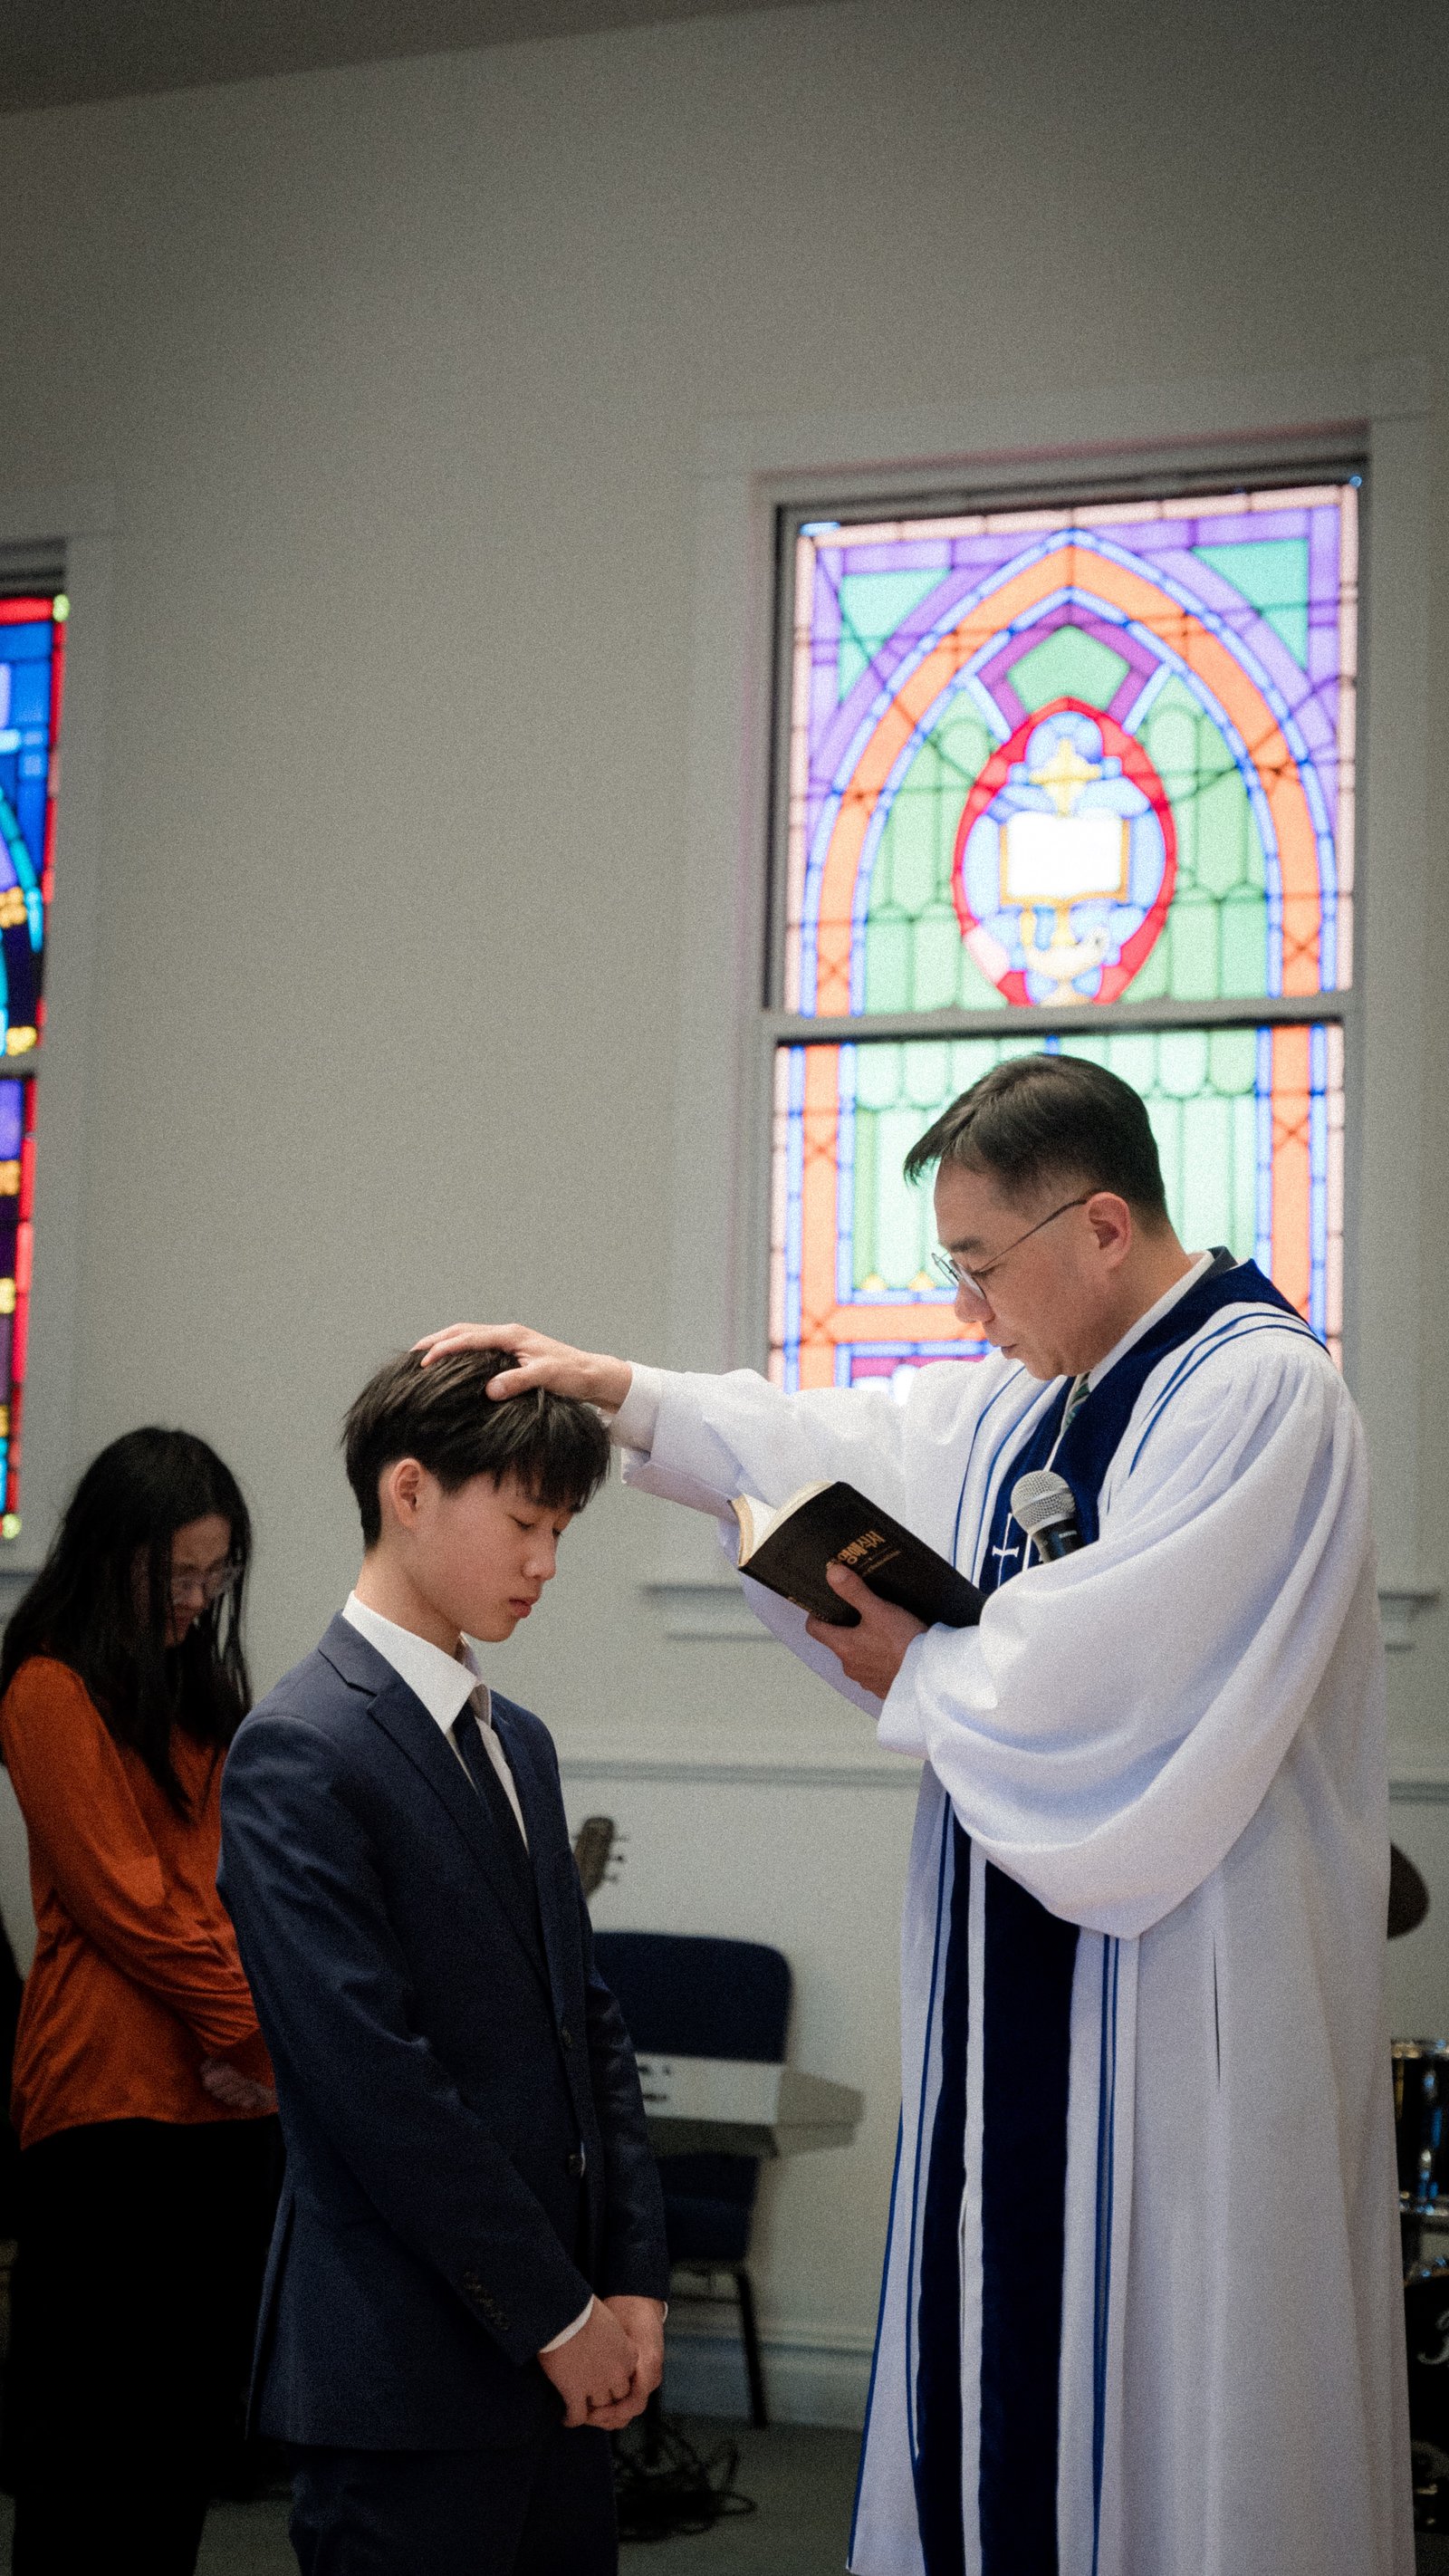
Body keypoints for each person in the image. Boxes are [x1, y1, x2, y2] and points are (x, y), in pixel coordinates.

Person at [419, 1053, 1412, 2576]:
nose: (967, 1310)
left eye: (979, 1265)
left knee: (1179, 2384)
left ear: (1100, 1227)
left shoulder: (1261, 1389)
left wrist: (925, 1670)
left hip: (1185, 2000)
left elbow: (1136, 1669)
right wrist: (622, 1394)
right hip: (1030, 1987)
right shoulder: (1042, 1397)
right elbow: (856, 1441)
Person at [217, 1347, 670, 2576]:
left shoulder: (517, 1740)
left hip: (566, 2354)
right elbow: (375, 2084)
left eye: (561, 1531)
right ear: (409, 1491)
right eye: (525, 1523)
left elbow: (586, 2021)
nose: (546, 1563)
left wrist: (630, 2278)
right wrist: (557, 2314)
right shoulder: (300, 1748)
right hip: (408, 2366)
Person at [0, 1427, 278, 2576]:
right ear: (111, 1556)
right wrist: (255, 2035)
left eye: (215, 1574)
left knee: (178, 2450)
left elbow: (236, 1882)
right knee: (87, 2458)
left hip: (224, 2114)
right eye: (176, 1576)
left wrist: (255, 2053)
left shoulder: (197, 1689)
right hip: (107, 2105)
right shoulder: (49, 1684)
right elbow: (132, 1905)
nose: (197, 1600)